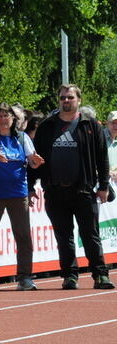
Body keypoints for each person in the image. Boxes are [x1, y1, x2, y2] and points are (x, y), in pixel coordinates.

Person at [29, 84, 115, 290]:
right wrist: (31, 185)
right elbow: (34, 159)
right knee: (63, 236)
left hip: (83, 190)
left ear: (78, 100)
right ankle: (70, 276)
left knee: (90, 234)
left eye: (70, 97)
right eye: (62, 98)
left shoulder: (91, 125)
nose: (65, 101)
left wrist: (103, 186)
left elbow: (102, 158)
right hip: (55, 190)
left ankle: (100, 275)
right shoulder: (47, 126)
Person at [0, 103, 44, 291]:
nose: (3, 120)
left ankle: (25, 278)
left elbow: (32, 161)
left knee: (23, 236)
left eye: (7, 116)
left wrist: (36, 162)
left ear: (13, 119)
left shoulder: (22, 138)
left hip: (18, 194)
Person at [105, 111, 117, 183]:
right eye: (113, 123)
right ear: (107, 123)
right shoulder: (99, 138)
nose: (116, 126)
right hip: (100, 183)